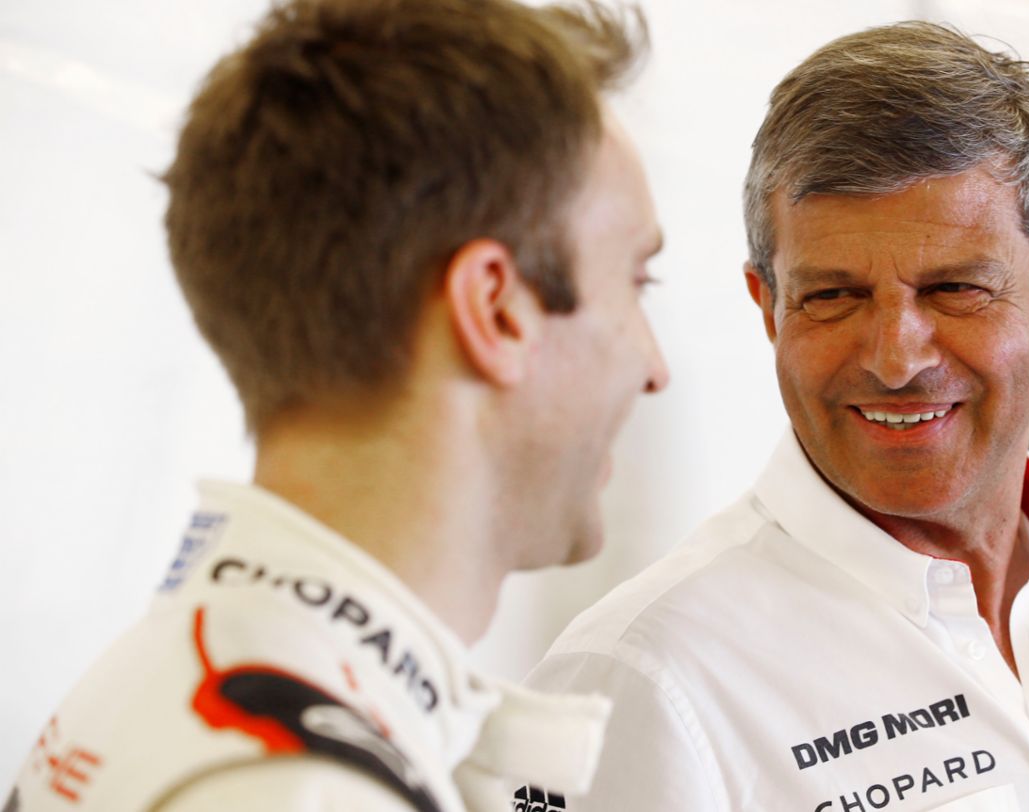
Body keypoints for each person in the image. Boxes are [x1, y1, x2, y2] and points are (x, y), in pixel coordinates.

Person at [521, 21, 1029, 811]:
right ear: (769, 310)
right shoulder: (641, 678)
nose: (895, 358)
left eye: (955, 290)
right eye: (833, 296)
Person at [5, 0, 666, 809]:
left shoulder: (177, 677)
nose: (655, 367)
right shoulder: (311, 785)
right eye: (637, 281)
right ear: (495, 310)